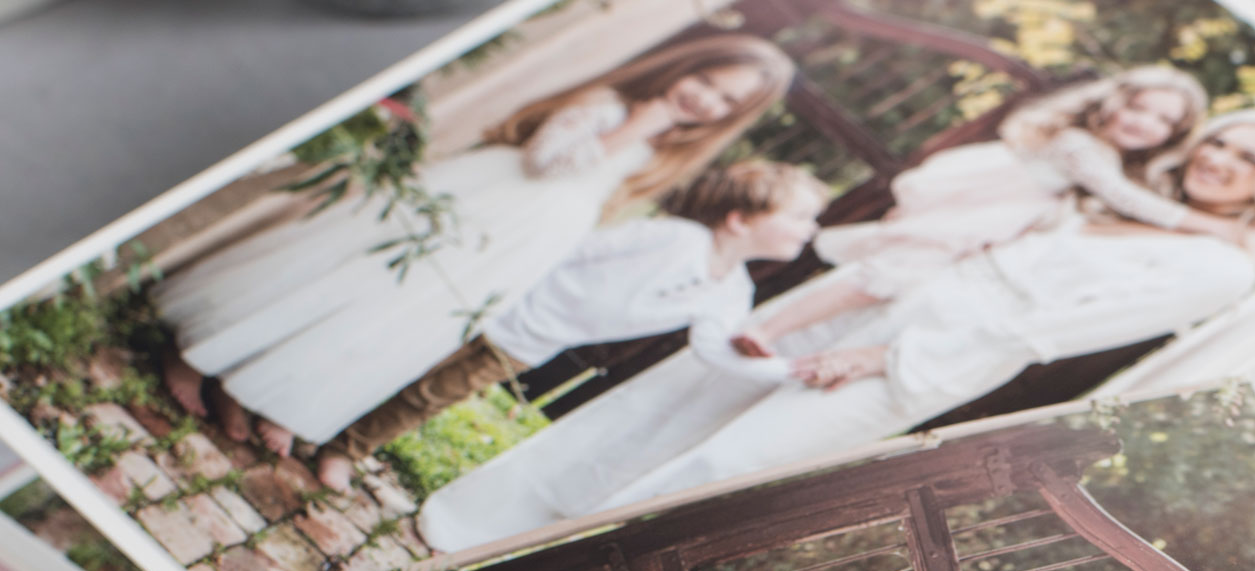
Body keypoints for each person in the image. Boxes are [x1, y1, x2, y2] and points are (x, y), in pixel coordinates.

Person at [416, 109, 1255, 550]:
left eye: (1246, 156)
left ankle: (514, 558)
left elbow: (1043, 334)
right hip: (896, 288)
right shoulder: (1131, 202)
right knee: (677, 398)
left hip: (924, 357)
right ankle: (472, 517)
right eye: (1220, 139)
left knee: (720, 463)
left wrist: (880, 355)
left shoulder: (1220, 268)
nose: (1218, 157)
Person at [154, 35, 794, 461]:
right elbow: (548, 161)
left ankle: (252, 385)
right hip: (487, 201)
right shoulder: (613, 106)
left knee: (389, 313)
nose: (705, 99)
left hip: (516, 242)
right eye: (707, 80)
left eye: (725, 101)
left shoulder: (663, 150)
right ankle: (195, 354)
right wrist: (635, 124)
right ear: (687, 64)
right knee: (352, 276)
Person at [310, 158, 831, 494]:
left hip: (530, 343)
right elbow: (575, 250)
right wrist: (501, 281)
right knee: (392, 357)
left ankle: (344, 448)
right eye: (800, 216)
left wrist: (790, 370)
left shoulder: (731, 292)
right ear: (740, 219)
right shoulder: (674, 239)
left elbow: (714, 348)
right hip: (497, 304)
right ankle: (308, 415)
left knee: (430, 396)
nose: (810, 230)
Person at [740, 66, 1237, 352]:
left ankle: (780, 333)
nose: (1144, 122)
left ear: (1172, 135)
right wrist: (1210, 225)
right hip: (982, 212)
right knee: (886, 274)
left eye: (1162, 121)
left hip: (996, 219)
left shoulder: (1104, 155)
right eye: (1137, 107)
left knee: (893, 278)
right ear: (1112, 102)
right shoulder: (1080, 146)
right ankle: (768, 330)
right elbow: (1123, 197)